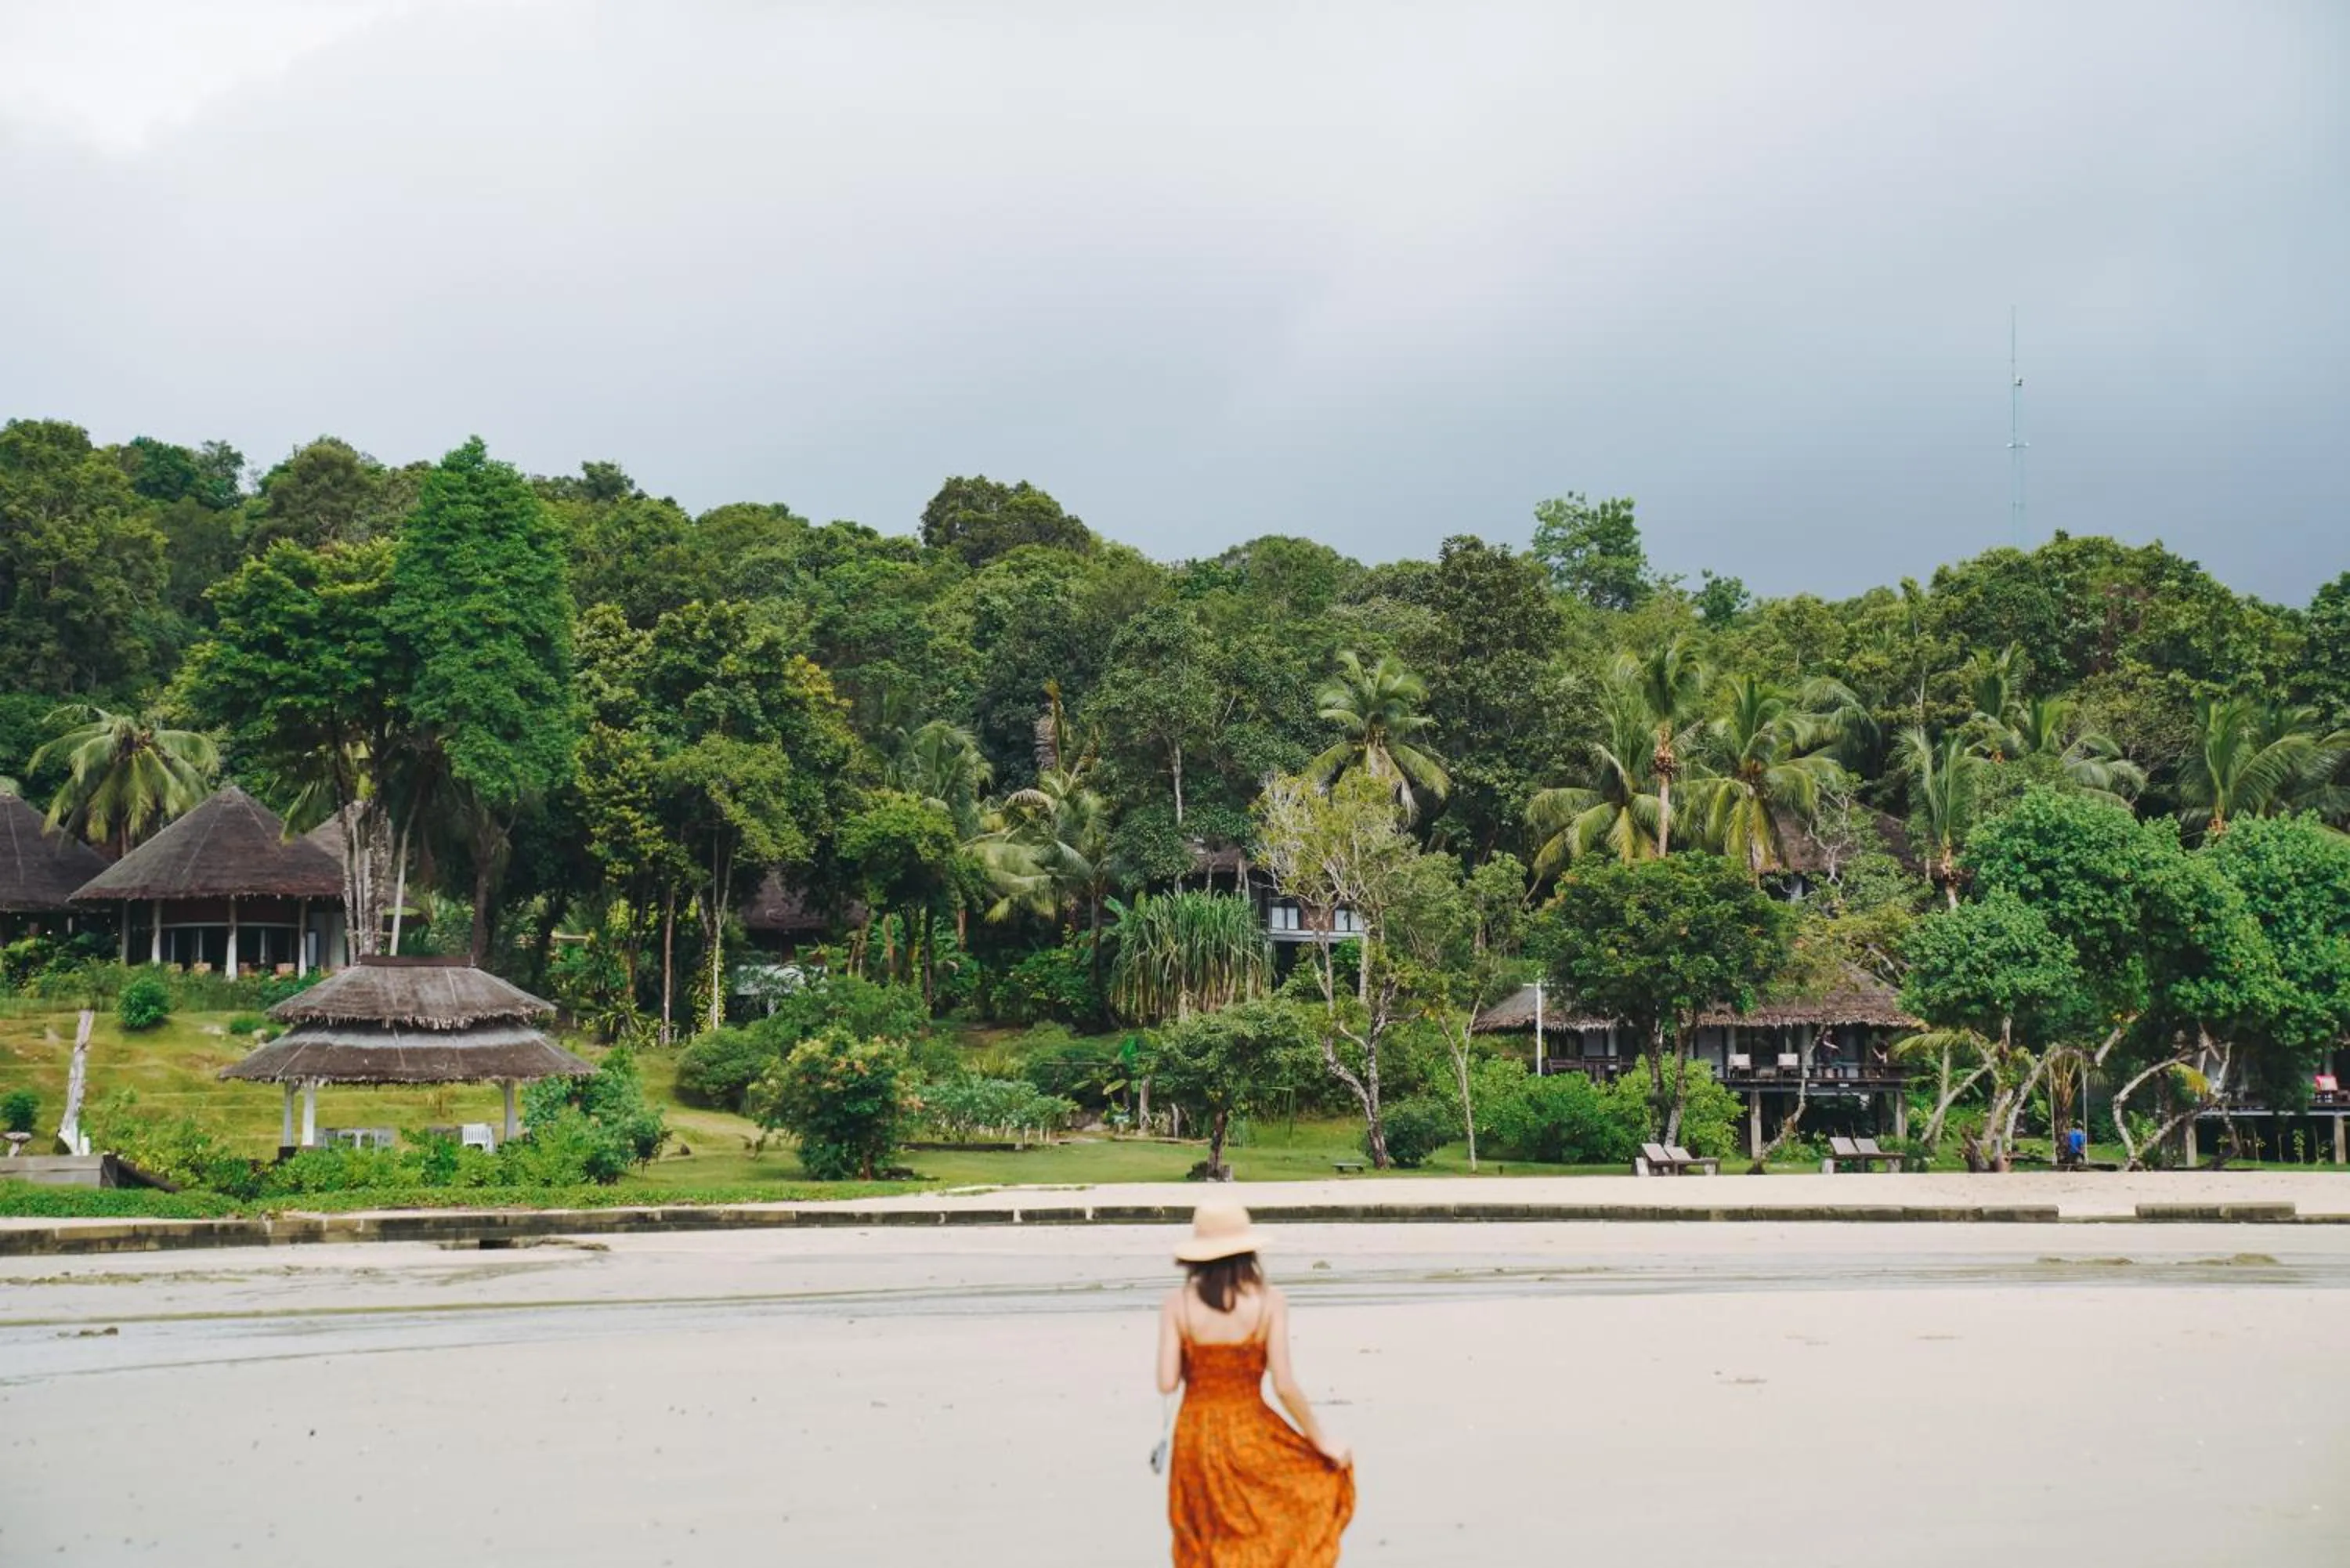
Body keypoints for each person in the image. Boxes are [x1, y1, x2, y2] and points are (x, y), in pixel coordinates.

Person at [1157, 1201, 1354, 1566]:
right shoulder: (1269, 1302)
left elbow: (1167, 1382)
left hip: (1196, 1434)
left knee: (1207, 1537)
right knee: (1263, 1524)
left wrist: (1201, 1362)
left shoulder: (1177, 1304)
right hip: (1249, 1430)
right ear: (1248, 1251)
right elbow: (1285, 1385)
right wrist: (1320, 1441)